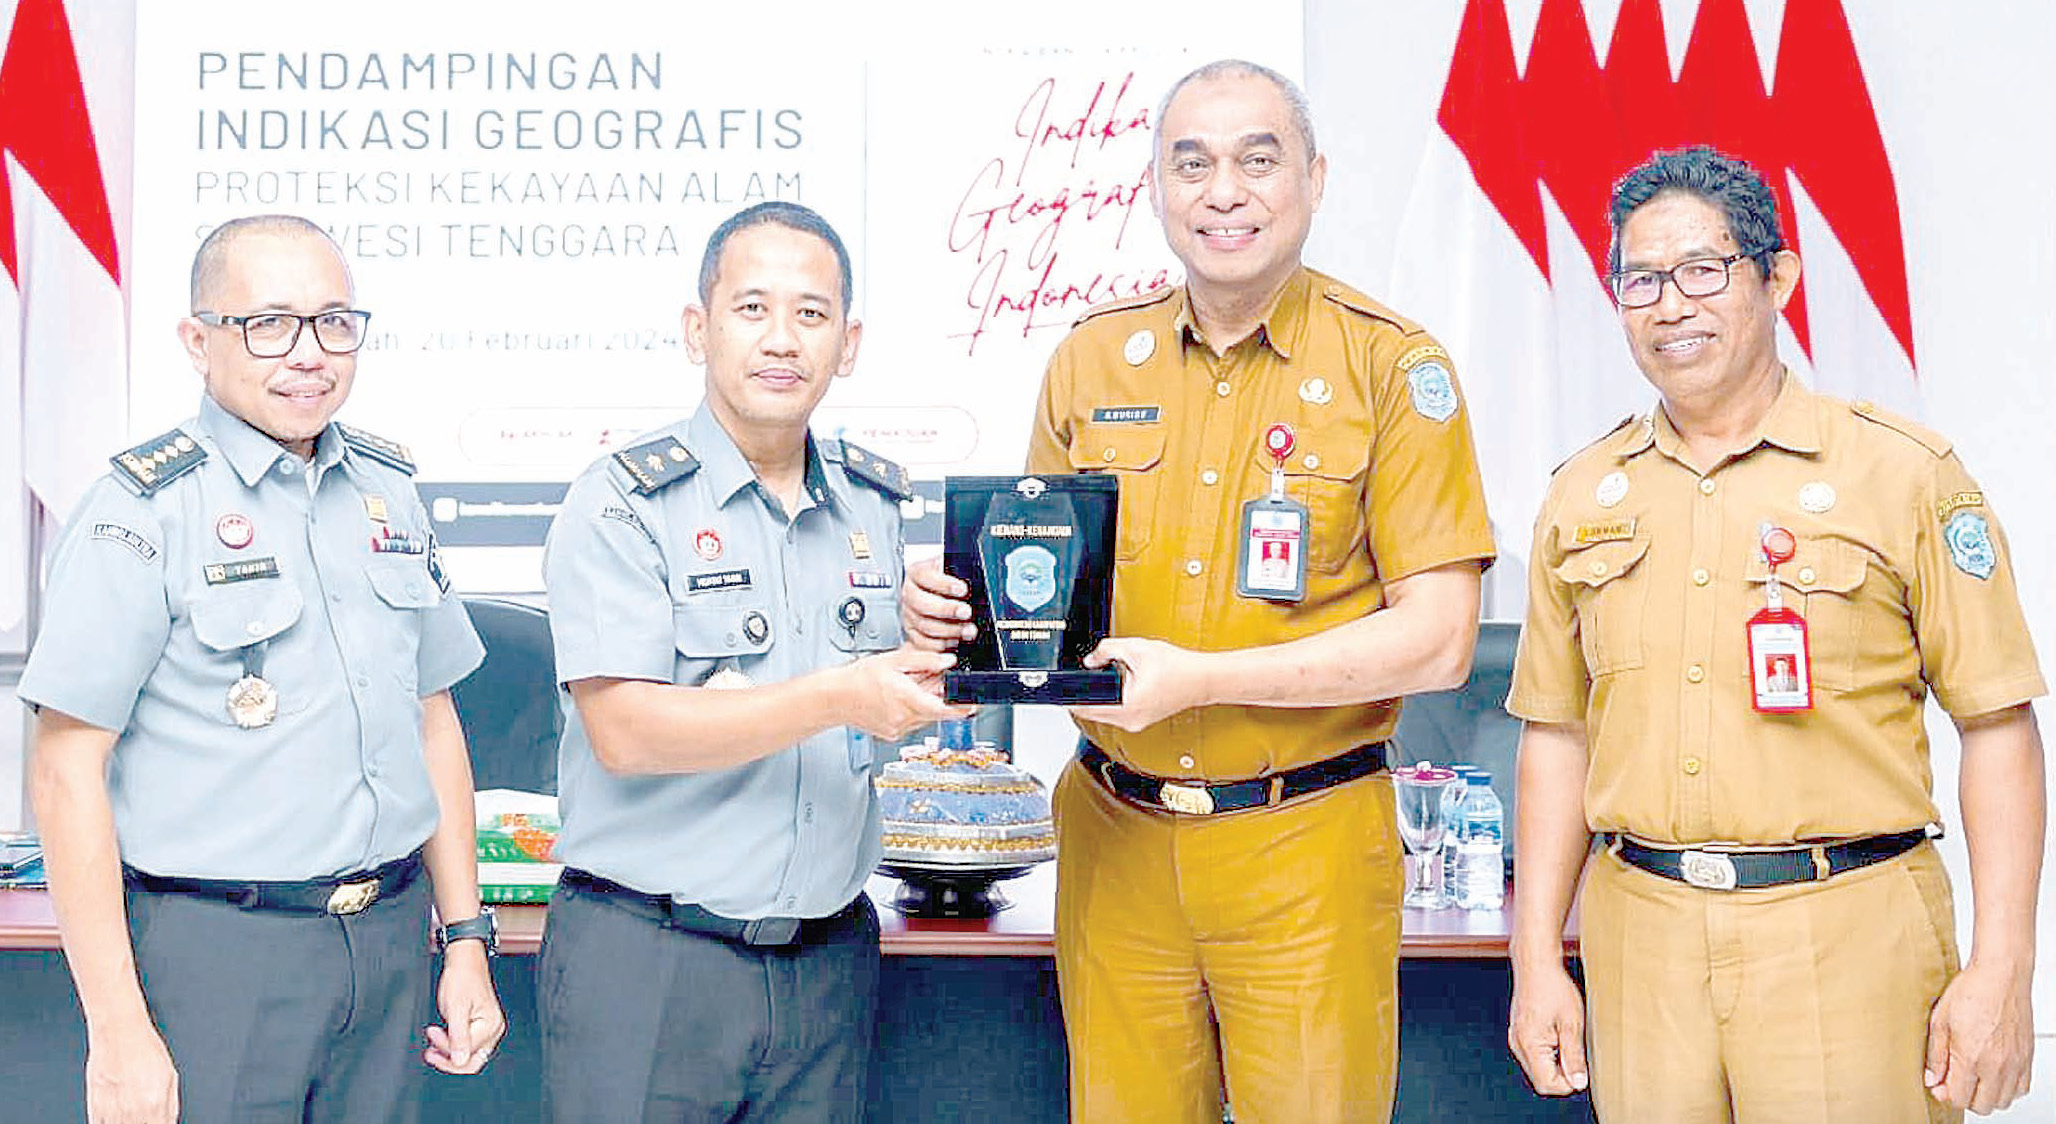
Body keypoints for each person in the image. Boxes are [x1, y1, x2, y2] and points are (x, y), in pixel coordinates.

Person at [903, 60, 1494, 1122]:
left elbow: (1442, 639)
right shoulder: (1092, 362)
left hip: (1301, 841)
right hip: (1114, 837)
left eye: (1255, 159)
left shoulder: (1390, 368)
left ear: (1313, 179)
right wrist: (954, 616)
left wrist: (1207, 678)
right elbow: (1037, 602)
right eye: (1193, 163)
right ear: (1158, 189)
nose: (1223, 191)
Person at [1506, 147, 2045, 1122]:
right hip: (1641, 935)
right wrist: (1535, 955)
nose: (1671, 305)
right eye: (1641, 279)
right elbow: (1556, 732)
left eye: (1704, 270)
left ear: (1778, 276)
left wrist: (2003, 965)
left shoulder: (1903, 474)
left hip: (1844, 929)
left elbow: (1998, 725)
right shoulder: (1580, 495)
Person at [18, 214, 504, 1124]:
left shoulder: (387, 492)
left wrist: (467, 940)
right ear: (198, 342)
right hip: (217, 958)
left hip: (389, 945)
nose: (309, 354)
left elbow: (431, 719)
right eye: (270, 325)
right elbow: (63, 769)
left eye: (334, 322)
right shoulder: (142, 511)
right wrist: (117, 1030)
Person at [538, 201, 966, 1123]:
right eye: (752, 309)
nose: (783, 340)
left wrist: (937, 641)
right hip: (650, 962)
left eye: (811, 315)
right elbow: (624, 731)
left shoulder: (871, 506)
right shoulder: (621, 503)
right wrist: (843, 694)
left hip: (825, 964)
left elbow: (880, 712)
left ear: (847, 344)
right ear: (699, 328)